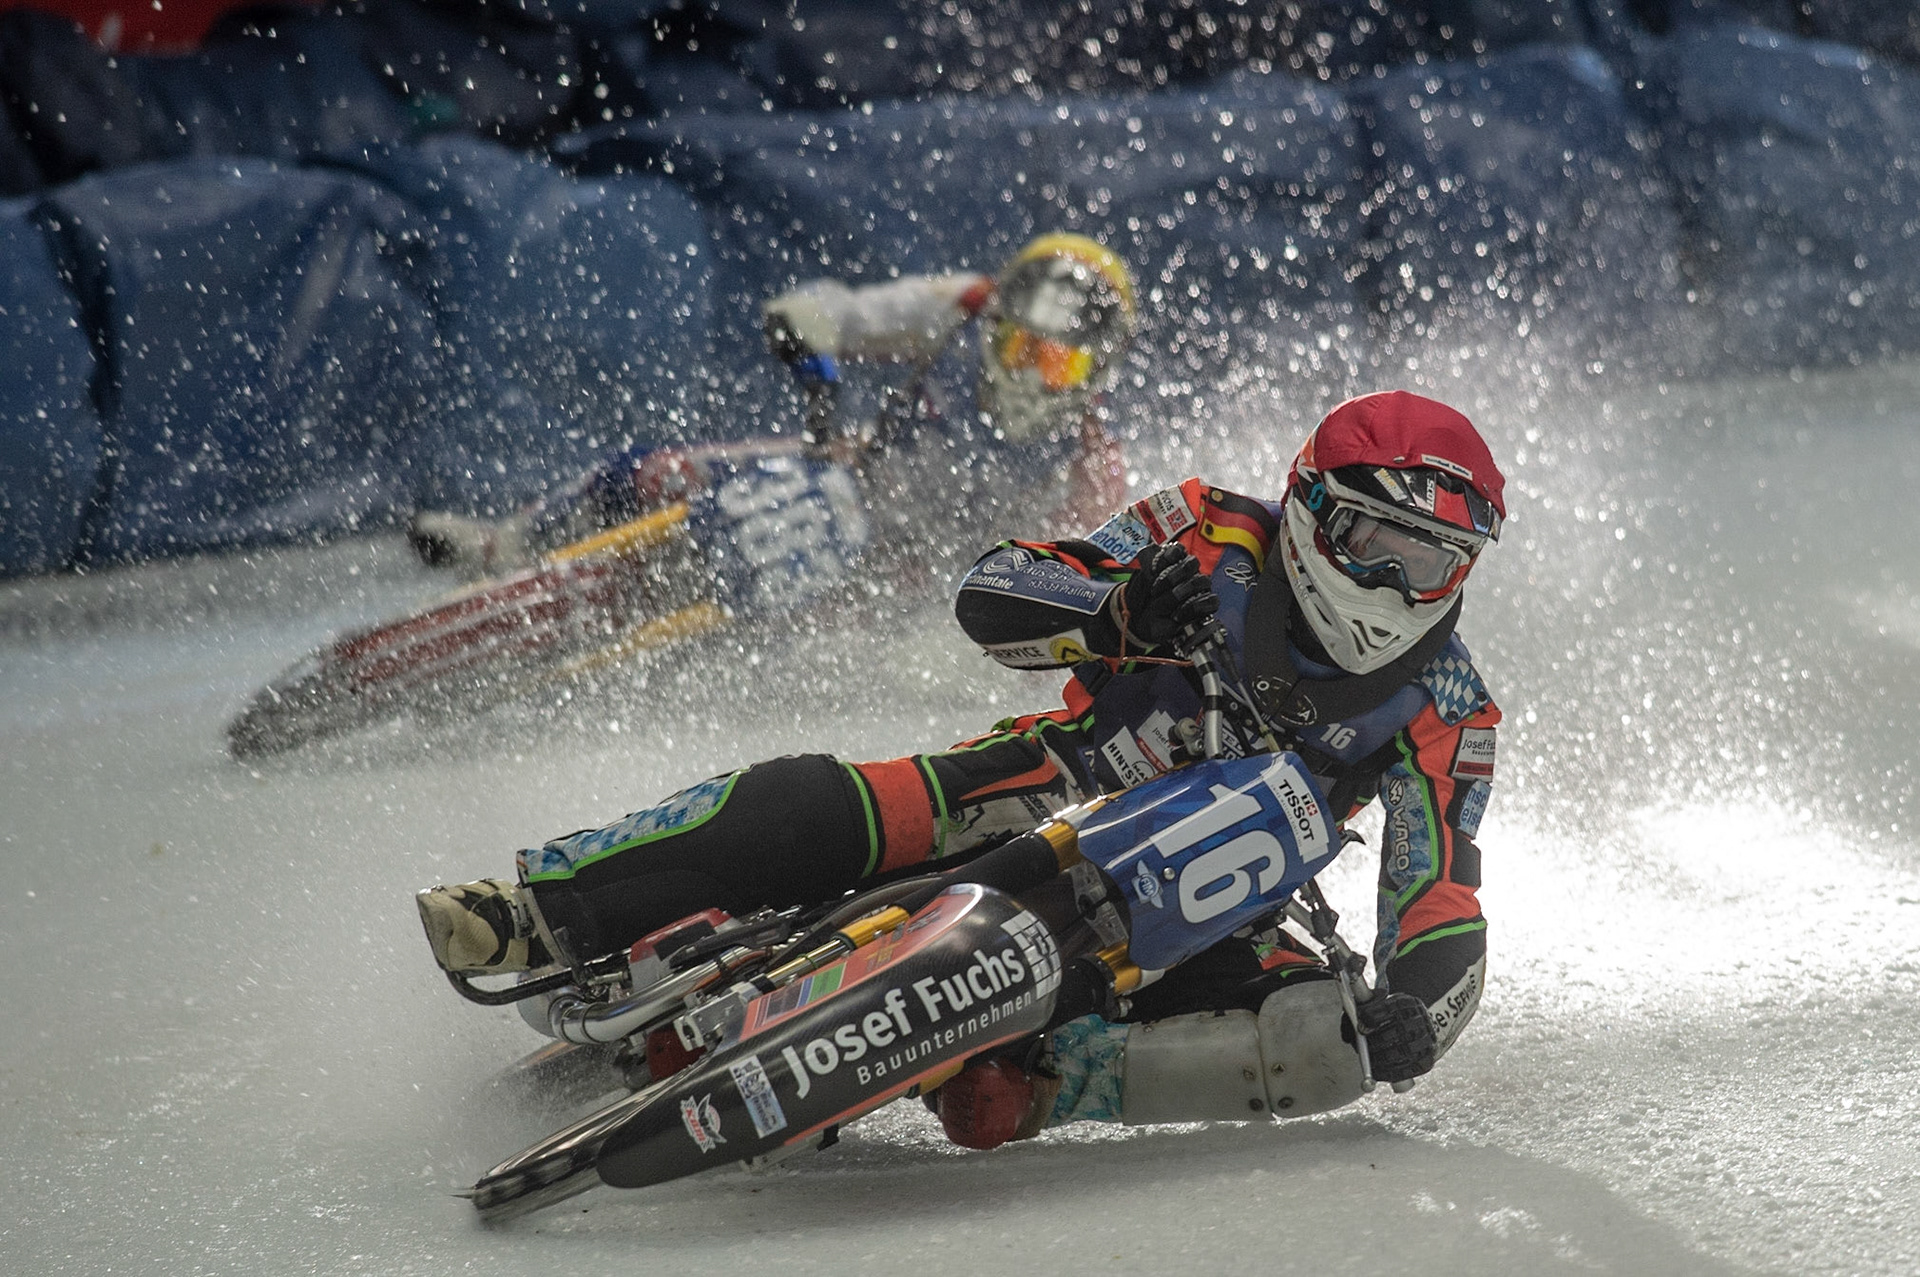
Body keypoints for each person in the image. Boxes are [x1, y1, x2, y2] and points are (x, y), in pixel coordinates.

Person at [416, 388, 1506, 1148]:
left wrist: (1411, 1008)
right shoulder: (1210, 530)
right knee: (826, 800)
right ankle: (543, 904)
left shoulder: (1448, 713)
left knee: (1325, 1038)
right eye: (1376, 542)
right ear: (1311, 505)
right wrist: (1114, 609)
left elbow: (1440, 893)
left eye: (1433, 564)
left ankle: (1048, 1083)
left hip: (1199, 914)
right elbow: (996, 586)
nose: (1396, 585)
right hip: (1044, 777)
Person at [406, 232, 1139, 580]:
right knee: (659, 469)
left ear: (1093, 371)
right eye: (1021, 349)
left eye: (1058, 361)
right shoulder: (961, 306)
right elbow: (824, 309)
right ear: (998, 325)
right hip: (845, 472)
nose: (1033, 376)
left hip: (914, 576)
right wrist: (814, 363)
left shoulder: (1091, 470)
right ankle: (505, 545)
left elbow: (1066, 591)